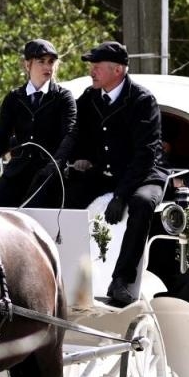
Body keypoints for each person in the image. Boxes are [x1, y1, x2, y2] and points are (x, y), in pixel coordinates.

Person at [63, 41, 166, 307]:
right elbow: (75, 135)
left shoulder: (143, 101)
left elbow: (145, 156)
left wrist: (120, 195)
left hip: (145, 175)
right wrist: (65, 160)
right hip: (104, 174)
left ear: (118, 70)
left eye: (97, 67)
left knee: (142, 203)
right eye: (92, 67)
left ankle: (121, 280)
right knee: (66, 195)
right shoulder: (89, 97)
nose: (91, 72)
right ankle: (66, 275)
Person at [0, 38, 76, 207]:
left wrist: (57, 163)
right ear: (27, 65)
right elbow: (2, 134)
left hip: (49, 174)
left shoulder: (63, 98)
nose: (48, 67)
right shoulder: (14, 98)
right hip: (17, 170)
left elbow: (70, 136)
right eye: (41, 62)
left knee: (32, 211)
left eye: (51, 62)